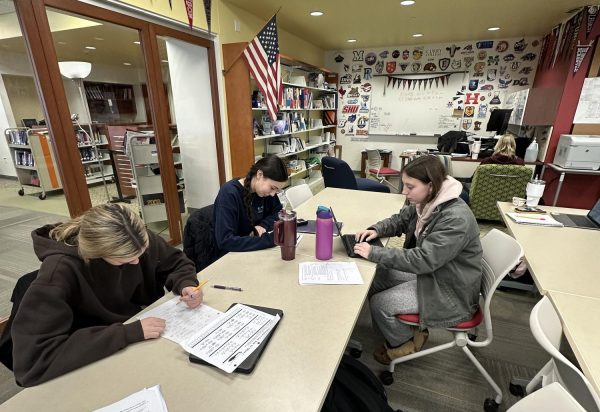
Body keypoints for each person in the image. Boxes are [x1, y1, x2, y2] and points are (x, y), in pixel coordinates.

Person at [11, 204, 202, 387]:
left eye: (141, 254)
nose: (137, 262)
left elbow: (175, 262)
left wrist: (185, 284)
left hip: (142, 331)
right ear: (95, 254)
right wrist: (126, 333)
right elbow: (32, 361)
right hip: (100, 352)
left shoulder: (133, 237)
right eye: (124, 260)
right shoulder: (59, 271)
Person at [353, 155, 482, 365]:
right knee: (377, 276)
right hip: (437, 274)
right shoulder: (430, 201)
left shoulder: (455, 218)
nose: (404, 192)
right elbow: (401, 219)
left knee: (380, 303)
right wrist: (375, 230)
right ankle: (402, 330)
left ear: (430, 186)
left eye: (410, 186)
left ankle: (406, 344)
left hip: (449, 290)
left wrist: (374, 252)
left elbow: (423, 260)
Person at [213, 155, 288, 256]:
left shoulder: (264, 192)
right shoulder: (229, 194)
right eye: (272, 188)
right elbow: (225, 241)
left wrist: (263, 225)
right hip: (231, 256)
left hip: (253, 251)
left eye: (277, 190)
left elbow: (279, 212)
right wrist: (270, 240)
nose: (273, 194)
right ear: (259, 174)